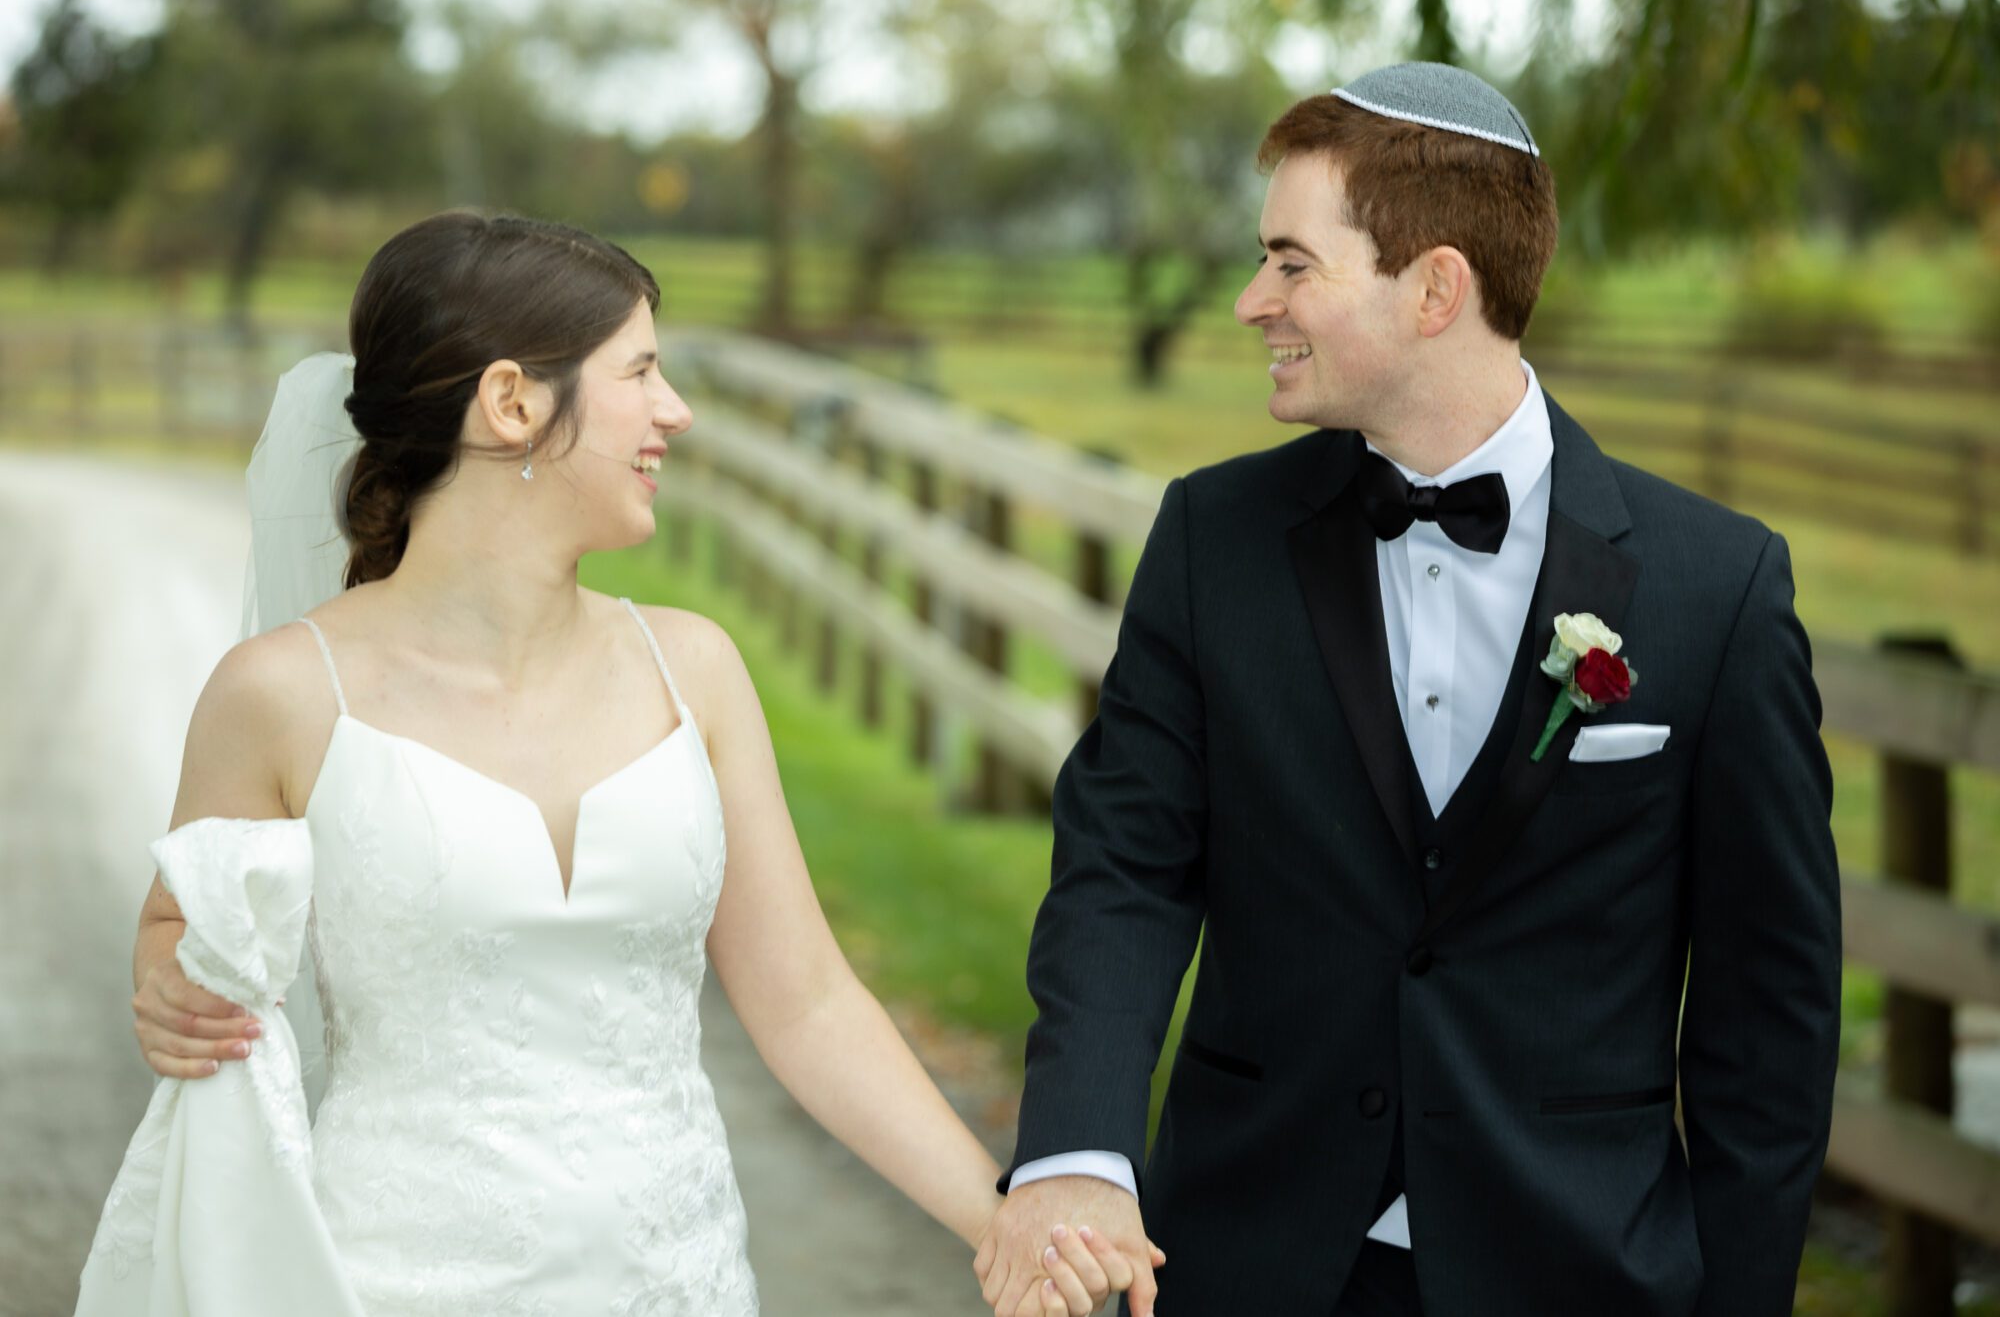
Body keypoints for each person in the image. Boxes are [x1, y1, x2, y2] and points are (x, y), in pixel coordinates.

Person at [105, 211, 1155, 1315]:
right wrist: (165, 979)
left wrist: (1001, 1222)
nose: (676, 412)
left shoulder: (690, 670)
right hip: (389, 1278)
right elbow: (175, 927)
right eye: (641, 371)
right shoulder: (280, 692)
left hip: (677, 1279)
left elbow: (806, 1003)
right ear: (511, 402)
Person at [975, 63, 1842, 1316]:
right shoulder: (1211, 539)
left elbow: (1769, 1009)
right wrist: (1074, 1152)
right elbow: (1123, 865)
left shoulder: (1719, 584)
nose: (1246, 301)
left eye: (1289, 263)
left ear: (1435, 287)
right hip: (1246, 1261)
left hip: (1578, 1272)